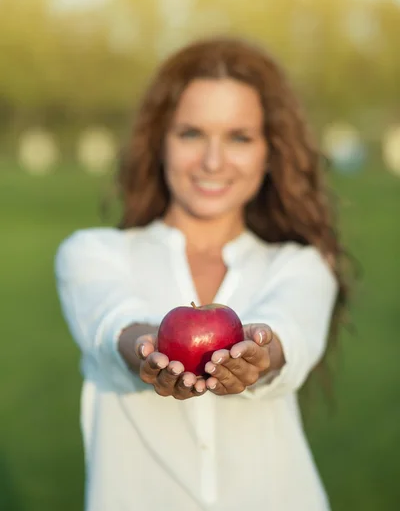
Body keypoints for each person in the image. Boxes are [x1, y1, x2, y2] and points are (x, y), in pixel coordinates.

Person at [54, 36, 352, 511]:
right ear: (160, 143)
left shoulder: (301, 264)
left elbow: (289, 334)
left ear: (268, 152)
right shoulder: (92, 253)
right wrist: (149, 352)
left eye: (239, 137)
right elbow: (113, 323)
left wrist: (257, 354)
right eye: (191, 133)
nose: (213, 161)